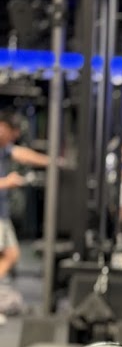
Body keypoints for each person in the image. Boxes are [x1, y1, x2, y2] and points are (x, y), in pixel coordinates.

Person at [0, 110, 52, 289]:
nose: (14, 137)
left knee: (11, 254)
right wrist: (6, 182)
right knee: (10, 254)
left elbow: (21, 153)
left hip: (2, 214)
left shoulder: (4, 148)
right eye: (12, 133)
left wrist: (53, 161)